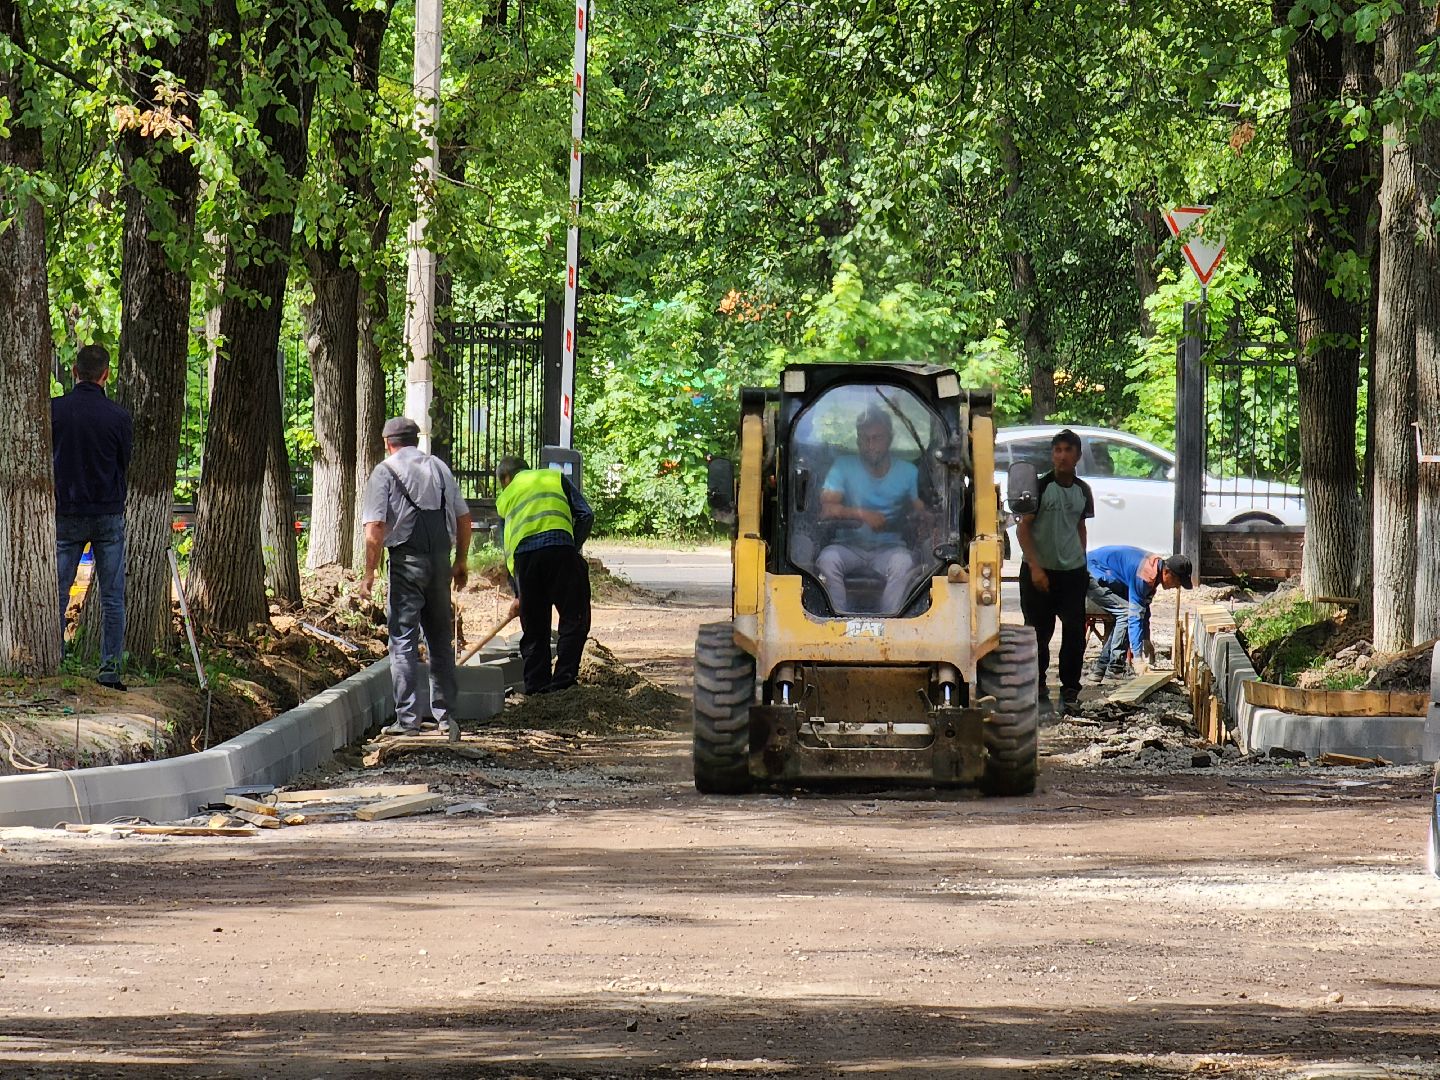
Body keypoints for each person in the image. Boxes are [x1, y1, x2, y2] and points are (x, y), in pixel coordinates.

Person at [361, 417, 473, 740]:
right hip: (440, 564)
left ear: (387, 443)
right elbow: (464, 519)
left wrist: (370, 572)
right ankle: (446, 717)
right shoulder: (438, 468)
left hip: (406, 565)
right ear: (416, 440)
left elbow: (375, 528)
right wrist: (461, 561)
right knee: (440, 640)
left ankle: (408, 720)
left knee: (403, 640)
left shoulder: (384, 472)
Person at [52, 344, 133, 691]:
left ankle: (53, 658)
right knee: (113, 596)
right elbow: (123, 462)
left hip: (66, 512)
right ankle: (110, 669)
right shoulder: (118, 417)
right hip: (107, 514)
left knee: (58, 591)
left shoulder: (54, 411)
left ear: (74, 372)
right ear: (106, 374)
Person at [495, 456, 594, 695]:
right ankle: (563, 683)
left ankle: (536, 689)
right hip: (561, 551)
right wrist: (571, 545)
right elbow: (585, 514)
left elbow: (508, 548)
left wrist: (519, 592)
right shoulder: (554, 478)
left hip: (525, 561)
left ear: (506, 478)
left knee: (535, 628)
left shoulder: (505, 498)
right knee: (574, 618)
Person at [816, 407, 926, 614]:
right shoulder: (842, 466)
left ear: (889, 439)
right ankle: (837, 620)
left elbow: (921, 510)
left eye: (877, 438)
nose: (870, 445)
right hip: (847, 547)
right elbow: (827, 509)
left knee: (903, 564)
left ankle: (889, 621)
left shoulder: (909, 472)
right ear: (858, 440)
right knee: (827, 560)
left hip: (890, 548)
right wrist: (862, 514)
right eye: (864, 438)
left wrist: (924, 519)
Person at [1016, 429, 1094, 711]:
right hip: (1040, 570)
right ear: (1052, 455)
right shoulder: (1040, 487)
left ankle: (1070, 689)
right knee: (1038, 633)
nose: (1062, 456)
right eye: (1057, 450)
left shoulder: (1083, 490)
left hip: (1072, 572)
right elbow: (1023, 527)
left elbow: (1080, 525)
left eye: (1068, 451)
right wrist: (1035, 566)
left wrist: (1082, 561)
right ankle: (1036, 687)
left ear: (1077, 456)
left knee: (1074, 633)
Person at [1086, 545, 1193, 678]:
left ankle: (1101, 669)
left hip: (1105, 573)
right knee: (1125, 613)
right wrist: (1138, 658)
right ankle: (1115, 668)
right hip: (1091, 573)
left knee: (1124, 613)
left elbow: (1144, 609)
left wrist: (1146, 639)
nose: (1177, 586)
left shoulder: (1155, 571)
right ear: (1167, 572)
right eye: (1177, 581)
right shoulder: (1145, 575)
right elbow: (1135, 617)